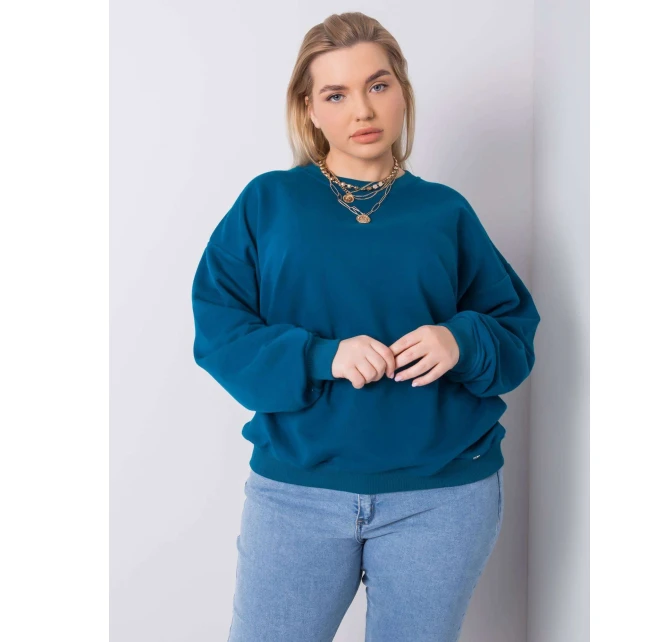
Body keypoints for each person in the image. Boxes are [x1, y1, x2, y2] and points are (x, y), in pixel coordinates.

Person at [191, 11, 540, 642]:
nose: (363, 110)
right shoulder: (269, 202)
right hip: (297, 493)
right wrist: (321, 356)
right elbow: (219, 330)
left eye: (378, 85)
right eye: (336, 94)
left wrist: (460, 340)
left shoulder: (444, 211)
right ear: (309, 109)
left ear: (402, 90)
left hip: (442, 497)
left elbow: (514, 331)